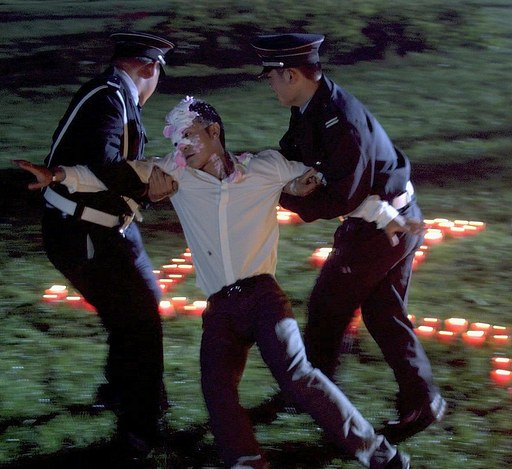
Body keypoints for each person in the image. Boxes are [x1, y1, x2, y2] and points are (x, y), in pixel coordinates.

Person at [17, 97, 411, 469]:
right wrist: (58, 175)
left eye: (189, 135)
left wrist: (382, 214)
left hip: (263, 297)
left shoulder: (265, 167)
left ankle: (379, 454)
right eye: (176, 140)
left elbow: (333, 194)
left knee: (297, 376)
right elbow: (110, 177)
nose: (182, 146)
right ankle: (246, 462)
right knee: (217, 389)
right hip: (221, 310)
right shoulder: (175, 174)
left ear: (214, 131)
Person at [251, 32, 446, 443]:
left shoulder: (339, 118)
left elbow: (344, 196)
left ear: (291, 75)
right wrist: (275, 172)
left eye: (271, 76)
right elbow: (295, 153)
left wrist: (286, 196)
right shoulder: (312, 105)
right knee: (383, 313)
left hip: (381, 227)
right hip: (393, 219)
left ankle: (311, 395)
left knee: (326, 309)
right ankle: (422, 401)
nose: (269, 84)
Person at [24, 31, 175, 457]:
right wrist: (152, 181)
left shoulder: (113, 95)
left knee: (137, 309)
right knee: (140, 323)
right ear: (150, 67)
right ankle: (140, 429)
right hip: (84, 232)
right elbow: (104, 165)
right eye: (158, 73)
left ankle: (120, 390)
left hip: (105, 226)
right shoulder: (108, 98)